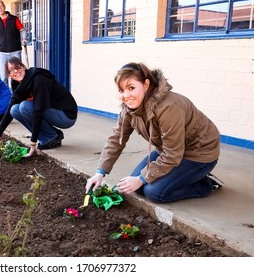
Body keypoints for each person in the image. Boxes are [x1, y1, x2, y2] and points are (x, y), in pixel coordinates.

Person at [85, 62, 224, 203]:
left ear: (146, 84)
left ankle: (205, 184)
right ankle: (184, 176)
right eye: (121, 90)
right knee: (135, 187)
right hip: (168, 150)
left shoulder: (169, 107)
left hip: (199, 154)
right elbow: (116, 140)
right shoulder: (129, 110)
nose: (126, 95)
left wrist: (141, 178)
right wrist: (100, 173)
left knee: (154, 193)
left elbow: (173, 154)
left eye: (131, 88)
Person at [0, 56, 78, 157]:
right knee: (14, 110)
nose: (16, 71)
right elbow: (9, 111)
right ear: (9, 75)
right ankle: (52, 134)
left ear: (23, 67)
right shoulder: (17, 83)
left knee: (25, 107)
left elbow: (38, 111)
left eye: (18, 67)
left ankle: (50, 137)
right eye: (11, 70)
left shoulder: (38, 79)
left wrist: (33, 144)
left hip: (66, 116)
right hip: (51, 111)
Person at [0, 0, 27, 86]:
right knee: (4, 75)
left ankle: (19, 93)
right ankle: (6, 96)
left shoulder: (14, 19)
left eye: (1, 6)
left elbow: (22, 30)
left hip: (15, 51)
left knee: (18, 73)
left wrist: (24, 39)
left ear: (4, 7)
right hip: (3, 53)